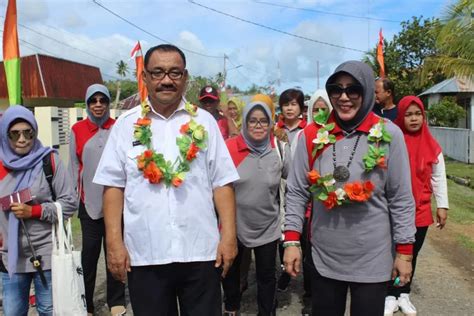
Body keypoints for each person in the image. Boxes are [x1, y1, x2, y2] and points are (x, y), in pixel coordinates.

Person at [93, 44, 240, 316]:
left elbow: (223, 183)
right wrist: (114, 243)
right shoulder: (126, 125)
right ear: (146, 77)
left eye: (174, 73)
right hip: (146, 254)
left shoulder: (205, 123)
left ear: (185, 77)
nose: (166, 80)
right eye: (158, 72)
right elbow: (113, 186)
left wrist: (229, 236)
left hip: (200, 253)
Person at [283, 60, 416, 316]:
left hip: (373, 259)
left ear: (367, 91)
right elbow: (297, 190)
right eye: (336, 89)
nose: (343, 97)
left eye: (353, 90)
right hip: (325, 258)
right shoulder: (313, 134)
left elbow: (401, 198)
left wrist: (405, 252)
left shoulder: (389, 134)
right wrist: (291, 241)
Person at [0, 105, 77, 315]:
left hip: (47, 253)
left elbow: (70, 202)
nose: (22, 139)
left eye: (28, 132)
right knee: (13, 311)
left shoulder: (48, 160)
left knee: (49, 310)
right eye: (14, 134)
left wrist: (33, 212)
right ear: (5, 134)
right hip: (9, 258)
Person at [222, 101, 290, 316]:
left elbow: (293, 178)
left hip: (268, 227)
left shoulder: (278, 149)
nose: (258, 125)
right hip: (236, 226)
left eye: (263, 121)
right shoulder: (230, 148)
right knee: (231, 273)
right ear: (244, 122)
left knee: (267, 276)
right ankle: (231, 307)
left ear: (270, 124)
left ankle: (266, 312)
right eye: (252, 120)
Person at [384, 96, 449, 316]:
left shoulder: (432, 145)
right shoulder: (393, 140)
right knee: (392, 252)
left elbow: (438, 177)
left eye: (418, 114)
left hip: (420, 211)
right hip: (393, 210)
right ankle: (389, 295)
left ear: (424, 116)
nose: (414, 119)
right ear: (401, 116)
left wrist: (442, 206)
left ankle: (404, 293)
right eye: (409, 114)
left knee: (412, 253)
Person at [68, 84, 126, 316]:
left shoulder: (119, 128)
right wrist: (71, 200)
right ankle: (87, 303)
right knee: (89, 256)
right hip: (88, 205)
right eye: (93, 100)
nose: (99, 104)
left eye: (103, 100)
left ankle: (116, 301)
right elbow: (73, 166)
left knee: (116, 252)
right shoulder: (77, 129)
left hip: (118, 205)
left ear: (109, 103)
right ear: (88, 103)